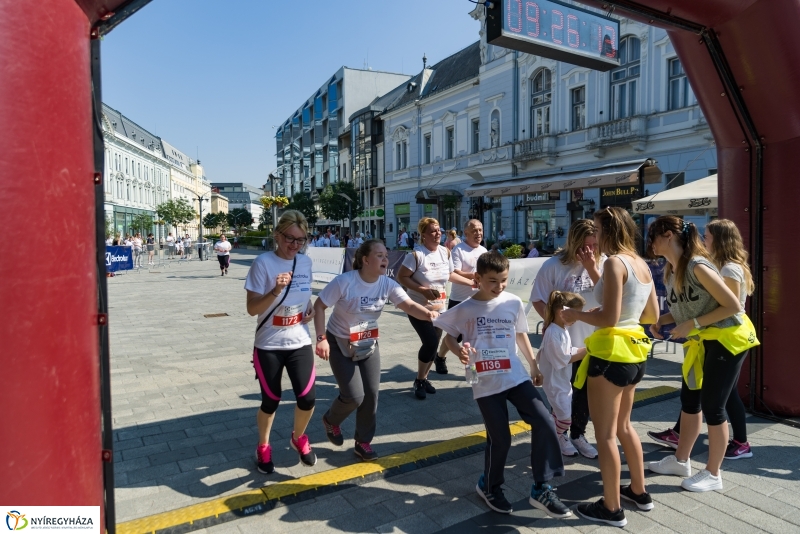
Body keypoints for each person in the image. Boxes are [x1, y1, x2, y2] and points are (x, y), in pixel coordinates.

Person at [435, 252, 571, 518]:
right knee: (501, 439)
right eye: (493, 281)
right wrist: (459, 351)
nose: (499, 286)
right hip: (485, 381)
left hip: (515, 376)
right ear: (477, 278)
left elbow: (520, 334)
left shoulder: (512, 302)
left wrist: (533, 364)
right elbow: (449, 336)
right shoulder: (465, 308)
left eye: (504, 280)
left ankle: (542, 487)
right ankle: (489, 486)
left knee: (544, 420)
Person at [646, 216, 758, 493]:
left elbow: (732, 306)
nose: (649, 243)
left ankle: (713, 473)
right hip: (704, 340)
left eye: (653, 236)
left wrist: (693, 324)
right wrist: (662, 320)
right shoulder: (671, 269)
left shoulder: (698, 265)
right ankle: (680, 461)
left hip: (728, 338)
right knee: (689, 400)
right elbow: (687, 309)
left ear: (669, 236)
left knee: (713, 407)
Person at [563, 207, 659, 527]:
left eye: (598, 230)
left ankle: (611, 507)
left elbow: (608, 317)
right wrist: (593, 270)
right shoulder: (640, 263)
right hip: (634, 354)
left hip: (610, 356)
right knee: (624, 427)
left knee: (604, 436)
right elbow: (649, 315)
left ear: (608, 231)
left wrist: (576, 315)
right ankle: (639, 491)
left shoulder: (615, 262)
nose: (595, 236)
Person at [313, 240, 439, 461]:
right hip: (339, 341)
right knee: (354, 396)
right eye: (379, 256)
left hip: (367, 341)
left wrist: (427, 314)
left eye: (386, 256)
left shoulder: (387, 284)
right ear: (365, 260)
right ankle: (331, 420)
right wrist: (321, 338)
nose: (385, 260)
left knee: (371, 394)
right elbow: (319, 305)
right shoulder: (344, 281)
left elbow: (409, 305)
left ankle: (363, 442)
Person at [245, 210, 316, 474]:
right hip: (269, 345)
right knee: (271, 400)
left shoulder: (305, 263)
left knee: (307, 398)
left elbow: (303, 294)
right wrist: (275, 290)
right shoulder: (263, 263)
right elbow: (252, 309)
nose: (295, 245)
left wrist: (309, 307)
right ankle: (263, 446)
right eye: (290, 238)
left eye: (301, 240)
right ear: (277, 235)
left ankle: (299, 437)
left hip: (299, 340)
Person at [529, 219, 604, 459]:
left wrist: (592, 266)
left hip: (593, 341)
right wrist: (553, 321)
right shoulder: (553, 265)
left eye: (594, 245)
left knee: (586, 394)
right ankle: (560, 433)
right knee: (562, 393)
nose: (590, 250)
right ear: (573, 242)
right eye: (585, 245)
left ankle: (578, 434)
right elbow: (538, 298)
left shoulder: (603, 263)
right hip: (563, 343)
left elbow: (609, 297)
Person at [397, 217, 473, 399]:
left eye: (439, 230)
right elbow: (402, 277)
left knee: (433, 345)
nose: (438, 233)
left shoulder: (445, 252)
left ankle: (423, 379)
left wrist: (472, 282)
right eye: (433, 231)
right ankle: (419, 380)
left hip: (439, 309)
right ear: (423, 235)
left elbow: (451, 275)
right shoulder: (416, 255)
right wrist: (422, 290)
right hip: (418, 307)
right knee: (430, 342)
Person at [539, 290, 590, 457]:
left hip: (561, 380)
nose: (577, 319)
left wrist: (581, 350)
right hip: (555, 382)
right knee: (565, 419)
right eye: (576, 314)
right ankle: (551, 436)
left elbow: (567, 351)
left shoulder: (561, 329)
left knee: (560, 413)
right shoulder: (554, 333)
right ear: (563, 312)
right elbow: (562, 359)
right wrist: (588, 350)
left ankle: (555, 438)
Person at [434, 219, 486, 374]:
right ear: (466, 233)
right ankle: (440, 357)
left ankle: (474, 367)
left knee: (476, 336)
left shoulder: (484, 251)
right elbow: (455, 272)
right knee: (454, 336)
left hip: (479, 300)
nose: (478, 233)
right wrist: (474, 276)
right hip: (460, 300)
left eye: (480, 230)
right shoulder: (458, 250)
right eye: (474, 230)